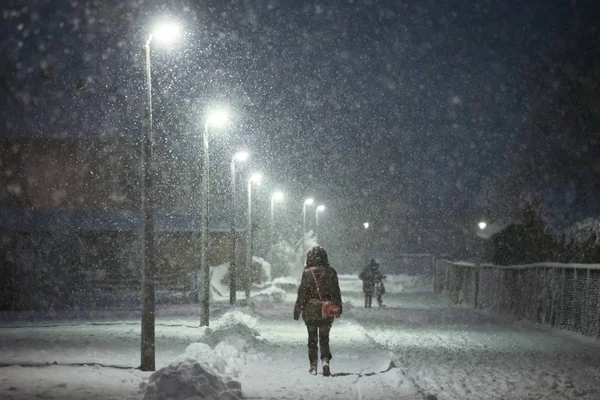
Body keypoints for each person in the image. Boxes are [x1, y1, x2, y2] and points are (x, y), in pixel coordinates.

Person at [293, 246, 342, 376]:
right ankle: (325, 361)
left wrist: (297, 310)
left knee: (312, 339)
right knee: (324, 338)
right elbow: (336, 292)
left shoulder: (307, 273)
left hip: (311, 311)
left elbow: (302, 294)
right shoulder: (331, 272)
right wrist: (338, 308)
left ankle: (313, 365)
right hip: (326, 310)